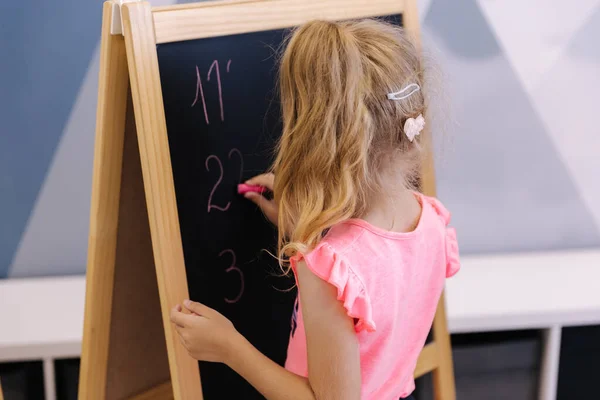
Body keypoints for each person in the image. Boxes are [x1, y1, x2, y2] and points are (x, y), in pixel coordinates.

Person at [170, 19, 460, 400]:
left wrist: (228, 347)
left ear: (314, 139)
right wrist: (302, 227)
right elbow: (376, 295)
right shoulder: (432, 222)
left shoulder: (328, 269)